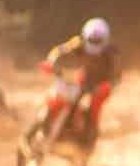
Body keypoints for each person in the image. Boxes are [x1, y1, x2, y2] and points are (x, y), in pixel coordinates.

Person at [35, 17, 121, 146]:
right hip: (80, 78)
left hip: (100, 84)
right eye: (91, 40)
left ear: (105, 40)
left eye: (98, 41)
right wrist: (51, 62)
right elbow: (59, 51)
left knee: (95, 107)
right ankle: (49, 123)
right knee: (60, 95)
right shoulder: (77, 43)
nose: (94, 43)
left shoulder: (112, 54)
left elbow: (116, 76)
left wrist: (108, 86)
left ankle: (89, 140)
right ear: (85, 37)